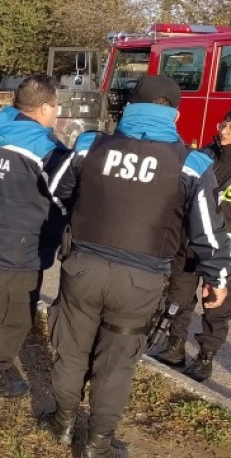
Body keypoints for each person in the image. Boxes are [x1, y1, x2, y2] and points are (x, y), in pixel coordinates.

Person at [38, 75, 231, 458]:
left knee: (72, 350)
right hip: (140, 281)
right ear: (174, 113)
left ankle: (61, 423)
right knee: (117, 361)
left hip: (83, 268)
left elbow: (56, 190)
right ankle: (97, 444)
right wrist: (218, 278)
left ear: (130, 105)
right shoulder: (192, 163)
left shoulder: (91, 144)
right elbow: (208, 233)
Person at [0, 74, 71, 398]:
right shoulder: (45, 148)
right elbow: (63, 196)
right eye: (56, 106)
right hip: (18, 245)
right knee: (10, 313)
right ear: (43, 108)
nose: (57, 112)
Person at [152, 110, 231, 382]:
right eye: (223, 125)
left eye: (230, 128)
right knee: (178, 298)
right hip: (187, 244)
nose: (224, 131)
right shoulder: (205, 156)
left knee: (215, 307)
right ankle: (174, 346)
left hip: (223, 251)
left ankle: (205, 357)